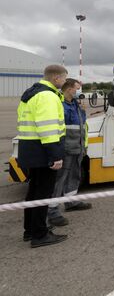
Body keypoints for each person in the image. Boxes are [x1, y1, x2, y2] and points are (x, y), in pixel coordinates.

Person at [17, 64, 68, 248]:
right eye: (64, 78)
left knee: (33, 192)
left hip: (31, 150)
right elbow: (47, 128)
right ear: (56, 78)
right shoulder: (47, 96)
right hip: (43, 151)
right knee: (43, 193)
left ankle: (30, 230)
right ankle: (39, 234)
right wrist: (55, 155)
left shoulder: (32, 93)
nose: (64, 81)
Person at [48, 78, 92, 227]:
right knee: (59, 180)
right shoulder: (60, 105)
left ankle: (70, 201)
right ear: (68, 89)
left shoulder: (75, 104)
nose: (78, 91)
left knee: (74, 176)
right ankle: (52, 211)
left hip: (77, 148)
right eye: (77, 88)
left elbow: (81, 126)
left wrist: (83, 146)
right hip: (65, 149)